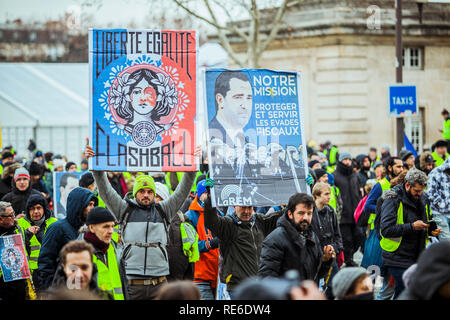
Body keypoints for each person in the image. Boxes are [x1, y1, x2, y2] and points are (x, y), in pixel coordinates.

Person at [84, 144, 199, 300]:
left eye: (150, 192)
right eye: (142, 191)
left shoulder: (164, 210)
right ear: (135, 193)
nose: (146, 195)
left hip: (160, 284)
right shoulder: (123, 209)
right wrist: (96, 166)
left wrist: (193, 163)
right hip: (131, 284)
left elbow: (183, 191)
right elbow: (105, 190)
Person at [203, 188, 284, 299]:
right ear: (235, 206)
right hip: (238, 288)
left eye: (249, 207)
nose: (247, 211)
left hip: (259, 286)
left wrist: (305, 190)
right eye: (243, 207)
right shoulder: (228, 225)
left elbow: (285, 215)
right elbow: (210, 221)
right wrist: (210, 197)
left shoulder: (260, 222)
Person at [379, 169, 442, 298]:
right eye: (416, 191)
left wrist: (431, 231)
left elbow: (424, 222)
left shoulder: (423, 197)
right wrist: (412, 226)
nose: (419, 194)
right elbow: (386, 229)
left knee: (402, 293)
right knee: (407, 290)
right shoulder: (393, 198)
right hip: (396, 256)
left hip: (416, 254)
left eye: (421, 190)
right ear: (407, 185)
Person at [258, 193, 335, 283]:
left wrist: (325, 260)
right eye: (301, 213)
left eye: (309, 213)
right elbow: (266, 279)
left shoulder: (312, 236)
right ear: (290, 214)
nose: (305, 217)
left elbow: (317, 275)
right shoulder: (275, 239)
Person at [36, 187, 97, 291]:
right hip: (63, 289)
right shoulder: (57, 228)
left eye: (93, 205)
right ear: (79, 205)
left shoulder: (90, 229)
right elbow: (45, 261)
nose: (92, 208)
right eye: (89, 204)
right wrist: (52, 289)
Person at [78, 206, 127, 300]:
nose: (111, 231)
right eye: (106, 227)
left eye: (112, 226)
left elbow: (125, 287)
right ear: (91, 228)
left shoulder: (116, 250)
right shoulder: (77, 254)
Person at [185, 180, 221, 300]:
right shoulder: (190, 216)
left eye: (212, 192)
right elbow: (190, 246)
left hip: (219, 276)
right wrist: (210, 244)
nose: (210, 195)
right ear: (199, 194)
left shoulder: (219, 213)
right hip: (200, 276)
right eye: (207, 192)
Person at [45, 240, 111, 300]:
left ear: (92, 267)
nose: (79, 275)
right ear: (63, 268)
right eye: (73, 269)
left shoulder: (104, 297)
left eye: (84, 267)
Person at [310, 182, 343, 299]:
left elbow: (337, 233)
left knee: (334, 287)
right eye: (326, 194)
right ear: (317, 196)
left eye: (330, 194)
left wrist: (337, 248)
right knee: (313, 287)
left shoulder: (330, 211)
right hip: (314, 256)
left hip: (330, 254)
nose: (329, 197)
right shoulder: (309, 213)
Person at [332, 152, 363, 267]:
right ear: (340, 161)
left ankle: (349, 256)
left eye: (349, 159)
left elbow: (359, 193)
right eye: (345, 159)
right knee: (347, 239)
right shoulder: (335, 176)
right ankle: (348, 259)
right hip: (343, 214)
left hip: (355, 213)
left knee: (359, 236)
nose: (348, 162)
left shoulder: (355, 175)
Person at [209, 70, 252, 149]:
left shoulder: (250, 144)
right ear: (220, 100)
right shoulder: (205, 137)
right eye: (238, 97)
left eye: (249, 98)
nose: (245, 105)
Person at [17, 194, 57, 276]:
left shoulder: (54, 223)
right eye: (32, 209)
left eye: (38, 208)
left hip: (49, 268)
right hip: (28, 271)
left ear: (44, 209)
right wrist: (26, 235)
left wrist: (44, 238)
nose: (35, 211)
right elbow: (16, 249)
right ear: (28, 210)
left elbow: (58, 247)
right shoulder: (20, 223)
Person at [0, 201, 29, 300]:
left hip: (20, 279)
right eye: (11, 215)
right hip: (3, 283)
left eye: (14, 213)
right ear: (1, 219)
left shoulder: (18, 228)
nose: (14, 216)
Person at [426, 157, 450, 240]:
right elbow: (430, 192)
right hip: (439, 213)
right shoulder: (436, 172)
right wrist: (443, 204)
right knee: (446, 240)